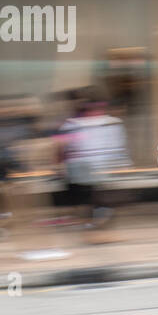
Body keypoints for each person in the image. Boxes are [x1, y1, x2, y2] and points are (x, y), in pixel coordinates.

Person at [56, 90, 130, 228]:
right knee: (88, 194)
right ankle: (95, 219)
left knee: (95, 195)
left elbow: (117, 146)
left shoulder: (110, 123)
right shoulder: (74, 124)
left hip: (94, 169)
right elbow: (65, 146)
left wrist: (120, 164)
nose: (94, 112)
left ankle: (97, 219)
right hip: (84, 170)